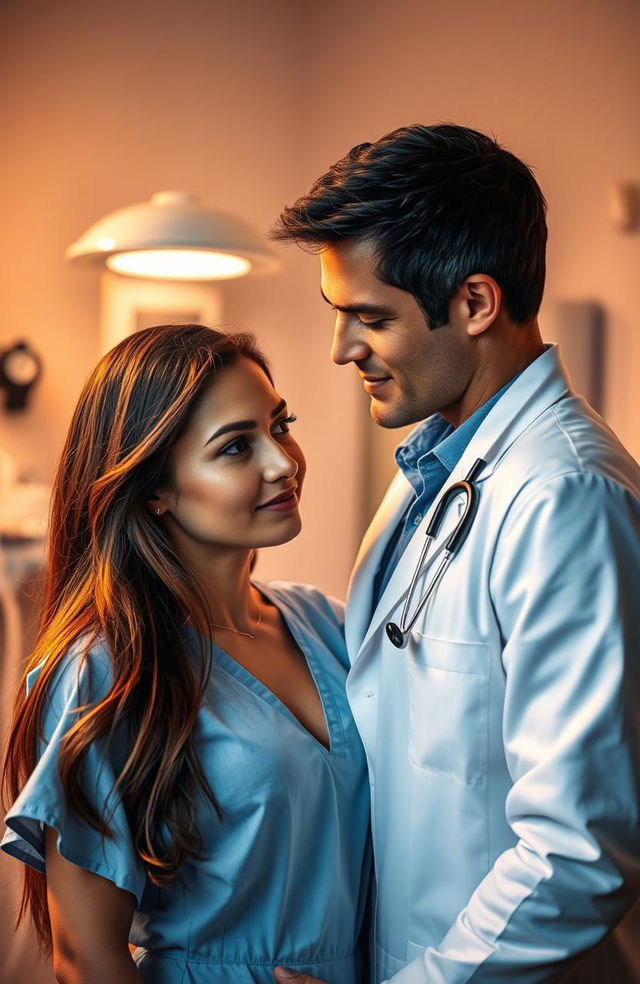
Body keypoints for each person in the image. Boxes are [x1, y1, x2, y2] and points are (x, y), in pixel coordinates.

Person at [269, 124, 640, 983]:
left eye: (371, 317)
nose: (342, 349)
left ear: (475, 303)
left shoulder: (565, 498)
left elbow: (578, 850)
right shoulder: (441, 466)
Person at [1, 324, 371, 984]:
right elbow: (86, 959)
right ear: (155, 489)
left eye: (280, 425)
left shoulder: (326, 625)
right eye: (236, 447)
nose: (283, 461)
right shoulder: (104, 669)